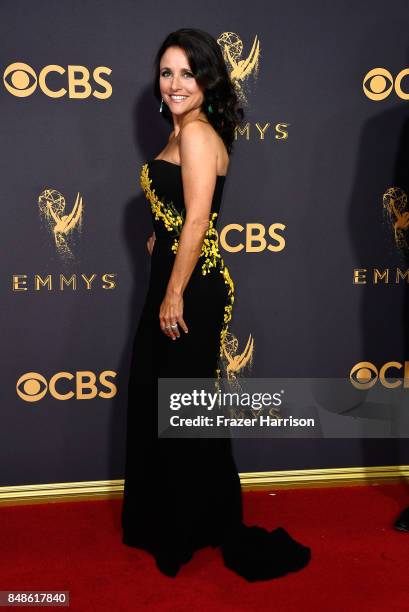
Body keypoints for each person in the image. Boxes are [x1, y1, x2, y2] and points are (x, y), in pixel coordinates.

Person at [121, 28, 311, 581]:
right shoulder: (184, 131)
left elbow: (201, 219)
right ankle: (183, 519)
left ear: (207, 80)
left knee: (181, 409)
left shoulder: (199, 134)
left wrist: (173, 290)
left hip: (191, 289)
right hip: (176, 276)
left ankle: (183, 528)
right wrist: (162, 236)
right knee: (174, 406)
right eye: (166, 72)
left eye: (187, 72)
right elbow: (181, 212)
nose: (175, 83)